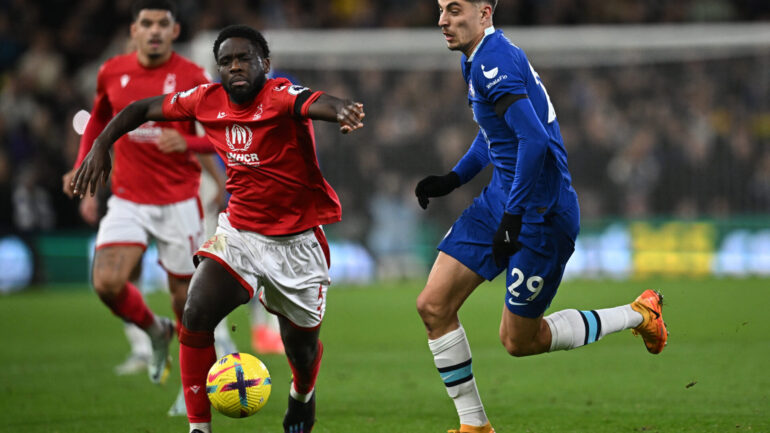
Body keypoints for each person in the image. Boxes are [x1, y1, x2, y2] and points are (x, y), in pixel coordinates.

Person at [70, 24, 365, 433]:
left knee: (301, 346)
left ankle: (302, 394)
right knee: (195, 312)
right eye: (225, 61)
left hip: (297, 243)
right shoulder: (205, 100)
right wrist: (102, 143)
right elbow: (139, 109)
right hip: (240, 233)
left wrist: (343, 110)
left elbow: (317, 102)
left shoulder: (280, 95)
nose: (235, 67)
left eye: (244, 58)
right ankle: (198, 429)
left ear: (265, 63)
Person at [413, 1, 668, 432]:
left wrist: (514, 218)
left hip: (542, 213)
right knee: (433, 305)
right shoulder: (478, 59)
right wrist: (455, 178)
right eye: (440, 9)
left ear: (485, 12)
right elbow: (495, 130)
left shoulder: (493, 61)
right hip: (503, 198)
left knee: (519, 341)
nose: (442, 20)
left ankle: (640, 313)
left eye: (454, 10)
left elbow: (534, 140)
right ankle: (474, 426)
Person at [61, 0, 239, 394]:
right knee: (106, 282)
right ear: (133, 30)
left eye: (163, 23)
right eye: (147, 23)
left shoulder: (192, 75)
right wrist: (81, 166)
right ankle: (154, 331)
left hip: (179, 201)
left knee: (186, 303)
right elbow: (98, 122)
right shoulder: (112, 72)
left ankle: (191, 387)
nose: (155, 30)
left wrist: (188, 141)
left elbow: (224, 131)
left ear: (175, 32)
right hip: (127, 198)